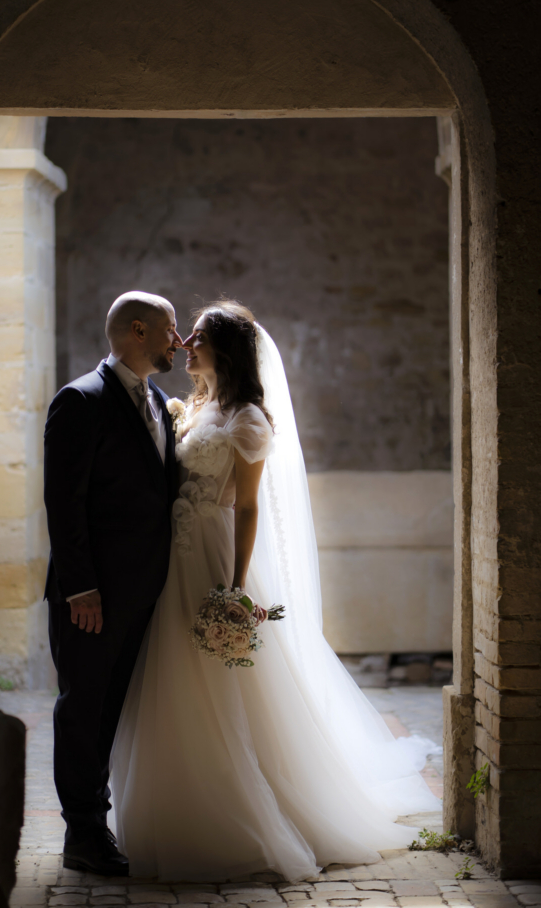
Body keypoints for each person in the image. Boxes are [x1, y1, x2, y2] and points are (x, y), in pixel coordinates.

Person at [111, 300, 441, 882]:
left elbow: (248, 506)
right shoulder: (199, 408)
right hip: (174, 558)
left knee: (221, 680)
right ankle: (179, 801)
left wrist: (236, 588)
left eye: (200, 338)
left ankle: (243, 811)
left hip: (211, 556)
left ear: (226, 350)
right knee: (173, 673)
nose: (187, 343)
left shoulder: (248, 420)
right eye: (187, 336)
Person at [43, 291, 182, 876]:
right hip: (92, 597)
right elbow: (63, 502)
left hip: (144, 591)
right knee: (84, 711)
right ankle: (83, 837)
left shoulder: (158, 400)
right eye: (172, 329)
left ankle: (99, 828)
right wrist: (80, 589)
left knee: (114, 710)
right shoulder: (81, 400)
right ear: (139, 330)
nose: (179, 341)